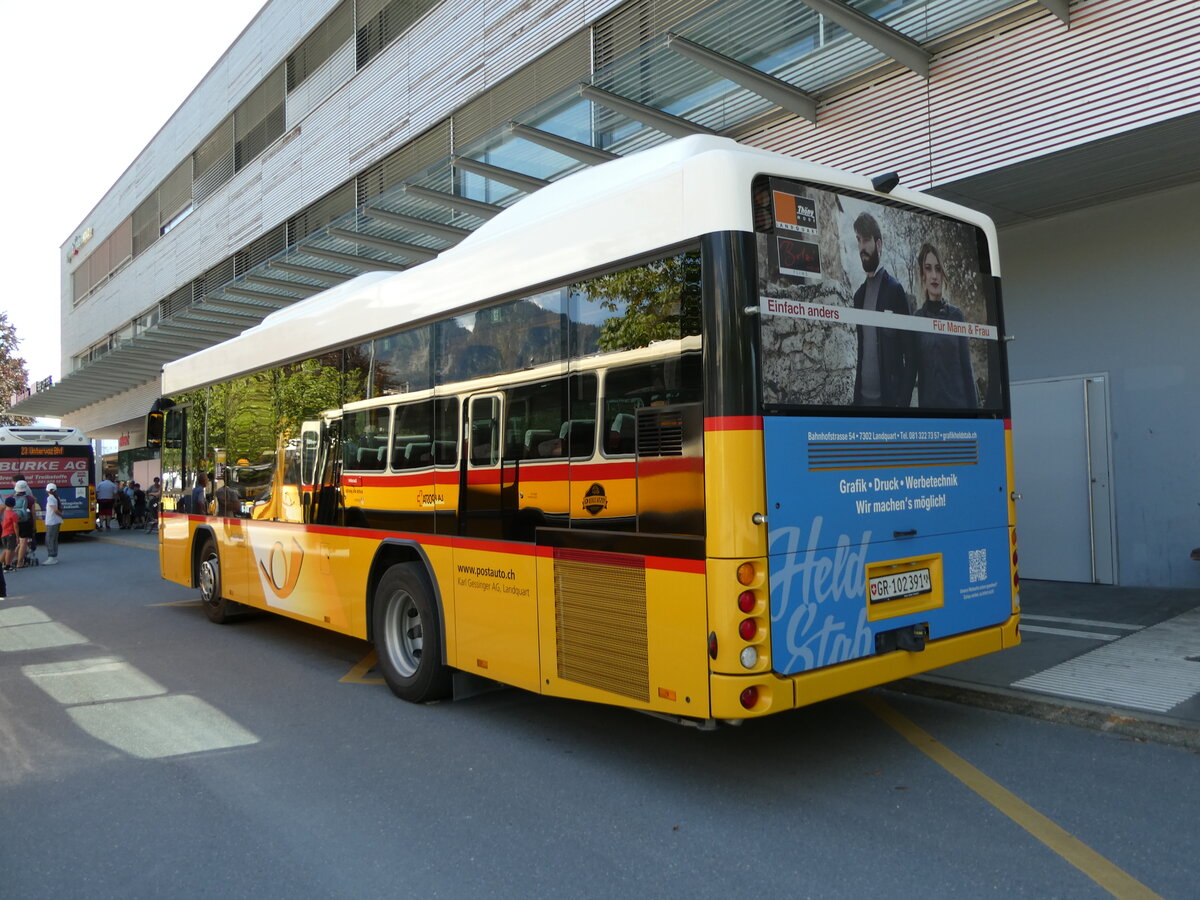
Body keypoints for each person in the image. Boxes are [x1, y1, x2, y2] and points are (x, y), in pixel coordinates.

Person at [851, 212, 914, 407]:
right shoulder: (858, 296)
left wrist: (901, 404)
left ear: (879, 244)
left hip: (889, 406)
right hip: (862, 405)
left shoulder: (894, 290)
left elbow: (911, 354)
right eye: (859, 240)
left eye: (867, 240)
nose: (862, 247)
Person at [909, 243, 978, 409]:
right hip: (931, 417)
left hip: (959, 410)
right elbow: (911, 371)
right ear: (922, 275)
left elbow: (967, 369)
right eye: (928, 268)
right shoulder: (917, 319)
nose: (934, 275)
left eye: (938, 269)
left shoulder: (956, 315)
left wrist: (976, 415)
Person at [13, 480, 39, 567]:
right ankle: (20, 562)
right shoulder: (30, 499)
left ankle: (15, 558)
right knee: (24, 541)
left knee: (17, 541)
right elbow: (33, 513)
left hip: (15, 522)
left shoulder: (12, 498)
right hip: (26, 522)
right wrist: (34, 526)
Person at [43, 483, 62, 566]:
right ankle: (54, 556)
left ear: (47, 490)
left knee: (49, 539)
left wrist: (59, 513)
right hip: (56, 521)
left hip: (52, 521)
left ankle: (51, 557)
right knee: (54, 539)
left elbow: (55, 510)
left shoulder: (50, 498)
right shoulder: (55, 497)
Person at [1, 496, 18, 573]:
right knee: (10, 550)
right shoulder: (13, 514)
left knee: (5, 549)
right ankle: (7, 566)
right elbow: (15, 526)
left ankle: (2, 563)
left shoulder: (3, 513)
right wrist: (17, 536)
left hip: (3, 534)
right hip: (10, 534)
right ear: (14, 505)